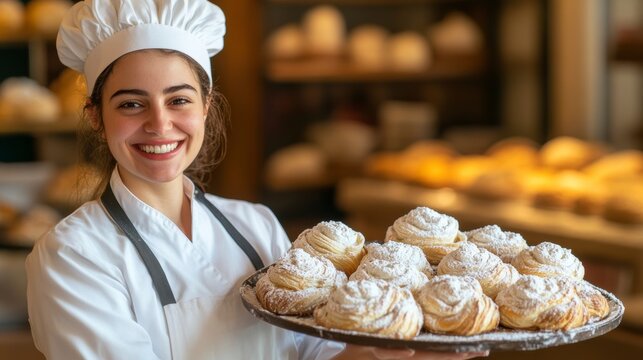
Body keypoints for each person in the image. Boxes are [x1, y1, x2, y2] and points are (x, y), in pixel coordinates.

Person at [25, 1, 489, 359]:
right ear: (96, 117)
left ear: (206, 107)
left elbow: (316, 352)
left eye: (179, 100)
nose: (160, 124)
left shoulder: (256, 225)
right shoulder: (72, 256)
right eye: (131, 104)